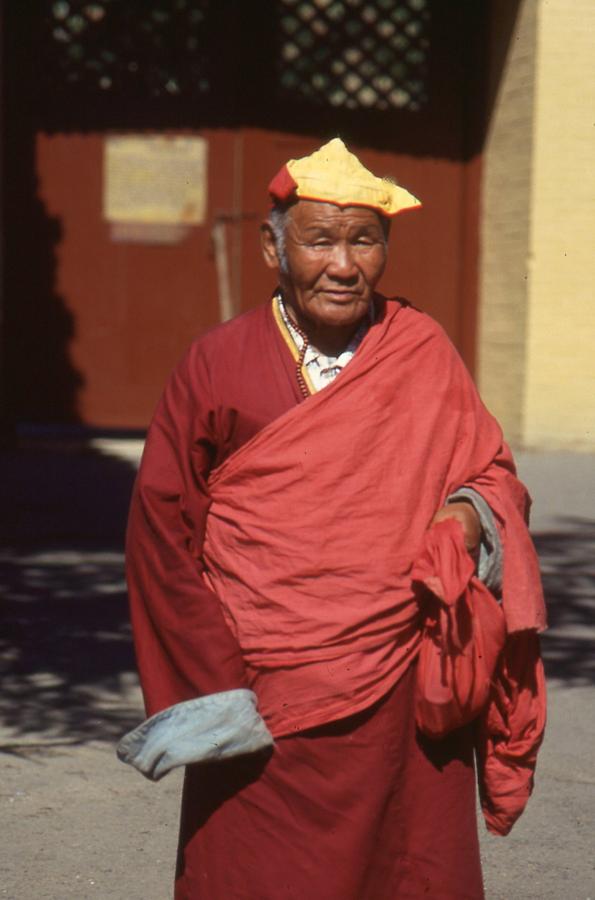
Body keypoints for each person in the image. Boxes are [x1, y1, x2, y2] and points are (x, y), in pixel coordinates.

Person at [118, 139, 546, 900]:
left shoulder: (420, 350)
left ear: (386, 247)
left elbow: (491, 472)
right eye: (318, 239)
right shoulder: (217, 363)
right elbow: (162, 530)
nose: (343, 265)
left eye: (363, 240)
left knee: (403, 867)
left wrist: (468, 516)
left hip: (402, 686)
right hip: (263, 687)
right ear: (271, 245)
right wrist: (213, 688)